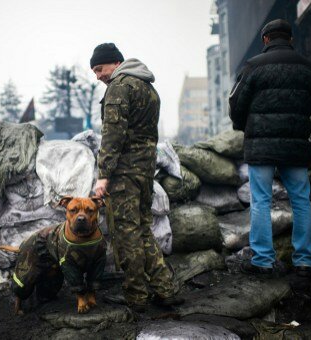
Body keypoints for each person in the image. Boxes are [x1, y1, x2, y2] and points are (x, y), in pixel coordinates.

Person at [91, 43, 183, 312]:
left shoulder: (120, 86)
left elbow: (113, 134)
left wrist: (103, 174)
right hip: (144, 170)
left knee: (125, 233)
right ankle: (166, 290)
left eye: (99, 68)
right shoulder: (147, 87)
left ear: (115, 62)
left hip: (124, 173)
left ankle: (136, 297)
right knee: (143, 229)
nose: (97, 76)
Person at [229, 19, 311, 284]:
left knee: (261, 201)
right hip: (295, 144)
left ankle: (263, 261)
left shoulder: (254, 65)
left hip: (261, 145)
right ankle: (304, 261)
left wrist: (243, 124)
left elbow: (237, 103)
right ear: (289, 39)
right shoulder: (307, 67)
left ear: (265, 40)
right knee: (301, 202)